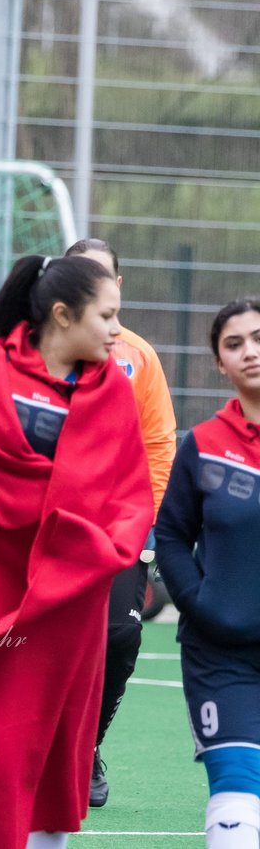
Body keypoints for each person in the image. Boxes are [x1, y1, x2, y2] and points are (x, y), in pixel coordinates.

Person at [0, 255, 154, 849]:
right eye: (106, 316)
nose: (115, 330)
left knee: (57, 747)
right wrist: (64, 517)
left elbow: (127, 491)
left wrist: (86, 543)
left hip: (71, 599)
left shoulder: (111, 388)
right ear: (62, 314)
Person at [65, 238, 177, 808]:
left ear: (119, 285)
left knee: (121, 633)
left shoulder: (139, 356)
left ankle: (87, 746)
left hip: (120, 529)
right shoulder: (33, 351)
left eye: (104, 276)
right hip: (49, 531)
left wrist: (144, 518)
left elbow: (159, 443)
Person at [155, 298, 260, 849]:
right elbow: (170, 534)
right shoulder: (202, 446)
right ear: (220, 363)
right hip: (221, 655)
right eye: (235, 344)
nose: (251, 352)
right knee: (238, 790)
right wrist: (202, 603)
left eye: (258, 338)